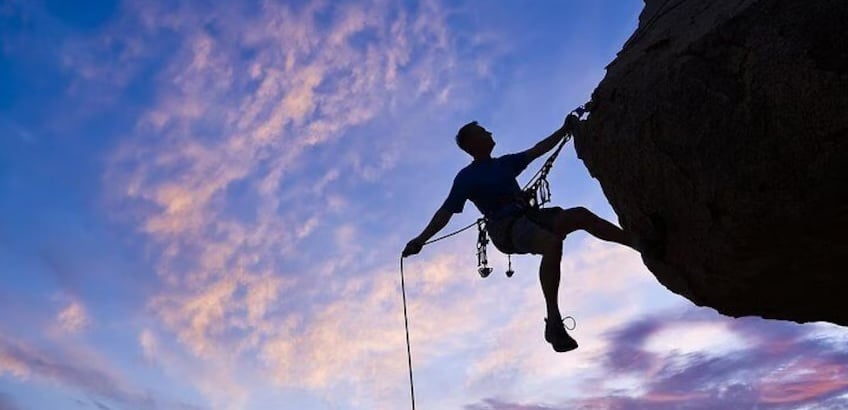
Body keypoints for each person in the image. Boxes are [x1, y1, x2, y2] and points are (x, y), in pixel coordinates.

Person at [402, 115, 647, 353]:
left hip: (528, 217)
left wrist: (565, 129)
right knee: (551, 244)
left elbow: (538, 149)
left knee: (579, 215)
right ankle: (553, 320)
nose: (489, 133)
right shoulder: (467, 177)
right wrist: (421, 239)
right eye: (483, 132)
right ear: (472, 144)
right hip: (505, 228)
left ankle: (638, 243)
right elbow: (446, 211)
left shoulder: (504, 163)